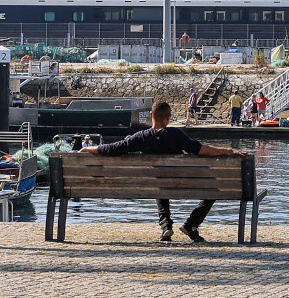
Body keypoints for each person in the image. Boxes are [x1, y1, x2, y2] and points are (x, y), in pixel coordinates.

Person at [81, 102, 245, 242]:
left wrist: (88, 148)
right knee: (212, 190)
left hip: (157, 184)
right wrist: (228, 150)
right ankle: (191, 225)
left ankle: (166, 226)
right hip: (185, 184)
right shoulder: (176, 134)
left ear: (151, 115)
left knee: (160, 181)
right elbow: (200, 150)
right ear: (169, 118)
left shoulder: (140, 137)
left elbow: (112, 149)